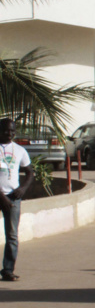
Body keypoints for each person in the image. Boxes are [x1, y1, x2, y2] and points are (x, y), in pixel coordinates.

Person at [0, 118, 34, 282]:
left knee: (12, 236)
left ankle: (8, 270)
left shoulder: (20, 150)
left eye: (12, 131)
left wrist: (22, 189)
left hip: (13, 198)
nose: (10, 133)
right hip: (1, 196)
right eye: (6, 130)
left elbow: (29, 172)